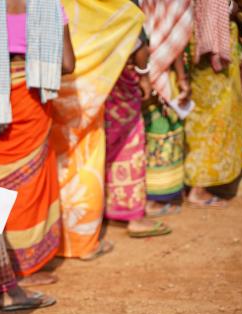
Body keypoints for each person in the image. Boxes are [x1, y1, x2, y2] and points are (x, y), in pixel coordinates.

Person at [0, 0, 75, 311]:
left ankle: (0, 266)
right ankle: (25, 268)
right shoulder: (50, 7)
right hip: (32, 98)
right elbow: (67, 64)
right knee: (30, 182)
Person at [50, 0, 144, 259]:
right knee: (85, 164)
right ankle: (82, 243)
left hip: (49, 90)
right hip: (85, 90)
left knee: (53, 165)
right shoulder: (103, 5)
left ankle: (52, 244)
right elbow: (131, 20)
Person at [103, 13, 172, 239]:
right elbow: (137, 39)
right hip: (121, 77)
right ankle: (133, 216)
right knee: (130, 142)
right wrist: (143, 76)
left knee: (101, 143)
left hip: (94, 80)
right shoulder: (123, 5)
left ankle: (106, 209)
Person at [185, 0, 242, 207]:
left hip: (193, 45)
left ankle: (193, 180)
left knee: (198, 117)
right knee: (215, 119)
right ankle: (199, 188)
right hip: (216, 51)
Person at [140, 0, 193, 216]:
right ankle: (155, 199)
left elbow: (171, 39)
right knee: (161, 133)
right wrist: (181, 77)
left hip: (143, 66)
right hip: (153, 70)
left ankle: (151, 196)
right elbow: (174, 38)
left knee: (155, 133)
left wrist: (180, 76)